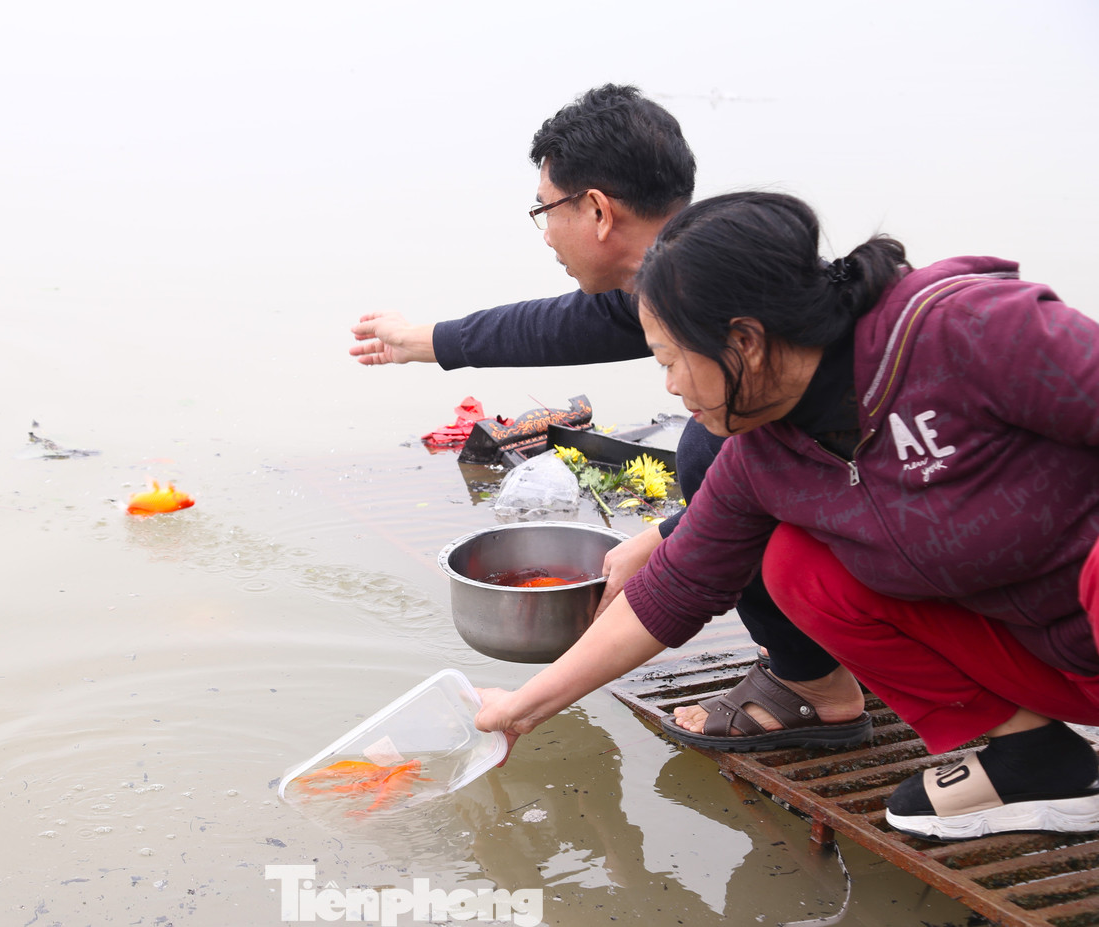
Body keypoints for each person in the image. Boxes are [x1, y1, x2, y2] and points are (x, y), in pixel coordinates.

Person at [475, 190, 1099, 842]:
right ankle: (1034, 757)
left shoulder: (968, 329)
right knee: (798, 565)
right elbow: (671, 589)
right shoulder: (764, 455)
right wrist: (521, 708)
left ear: (744, 341)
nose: (670, 388)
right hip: (1049, 659)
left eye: (670, 361)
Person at [350, 85, 863, 751]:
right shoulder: (702, 269)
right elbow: (562, 327)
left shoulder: (720, 303)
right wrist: (422, 340)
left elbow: (749, 496)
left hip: (917, 536)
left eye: (544, 209)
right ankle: (831, 654)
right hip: (888, 519)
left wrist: (664, 540)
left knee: (706, 453)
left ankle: (815, 686)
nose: (544, 233)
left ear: (596, 209)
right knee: (707, 463)